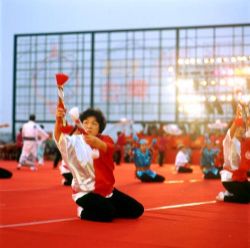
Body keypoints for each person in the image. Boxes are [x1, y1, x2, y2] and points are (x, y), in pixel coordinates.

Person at [54, 106, 144, 222]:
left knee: (137, 210)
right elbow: (59, 138)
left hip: (107, 191)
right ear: (81, 124)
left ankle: (107, 207)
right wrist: (58, 120)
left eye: (94, 124)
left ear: (100, 127)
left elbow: (109, 148)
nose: (89, 126)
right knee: (108, 214)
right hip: (85, 192)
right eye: (85, 122)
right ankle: (82, 211)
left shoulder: (106, 139)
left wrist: (98, 143)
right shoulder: (75, 141)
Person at [216, 110, 250, 203]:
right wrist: (237, 120)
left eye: (243, 128)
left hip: (241, 178)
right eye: (238, 128)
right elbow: (230, 133)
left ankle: (232, 192)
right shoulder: (229, 142)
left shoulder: (245, 143)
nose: (241, 129)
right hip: (230, 179)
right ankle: (224, 196)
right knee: (245, 199)